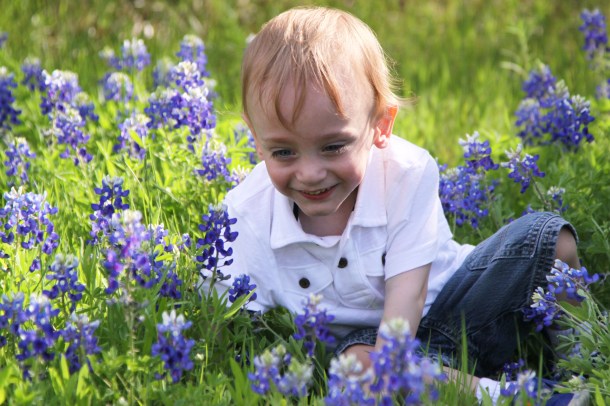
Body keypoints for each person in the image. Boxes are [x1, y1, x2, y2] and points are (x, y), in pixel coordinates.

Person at [204, 6, 583, 404]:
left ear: (381, 124)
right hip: (367, 354)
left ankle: (582, 367)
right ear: (255, 138)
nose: (310, 173)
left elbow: (408, 302)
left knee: (551, 240)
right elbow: (226, 317)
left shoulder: (406, 172)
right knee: (364, 364)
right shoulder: (245, 214)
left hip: (455, 307)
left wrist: (396, 360)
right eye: (283, 152)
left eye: (333, 147)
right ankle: (520, 398)